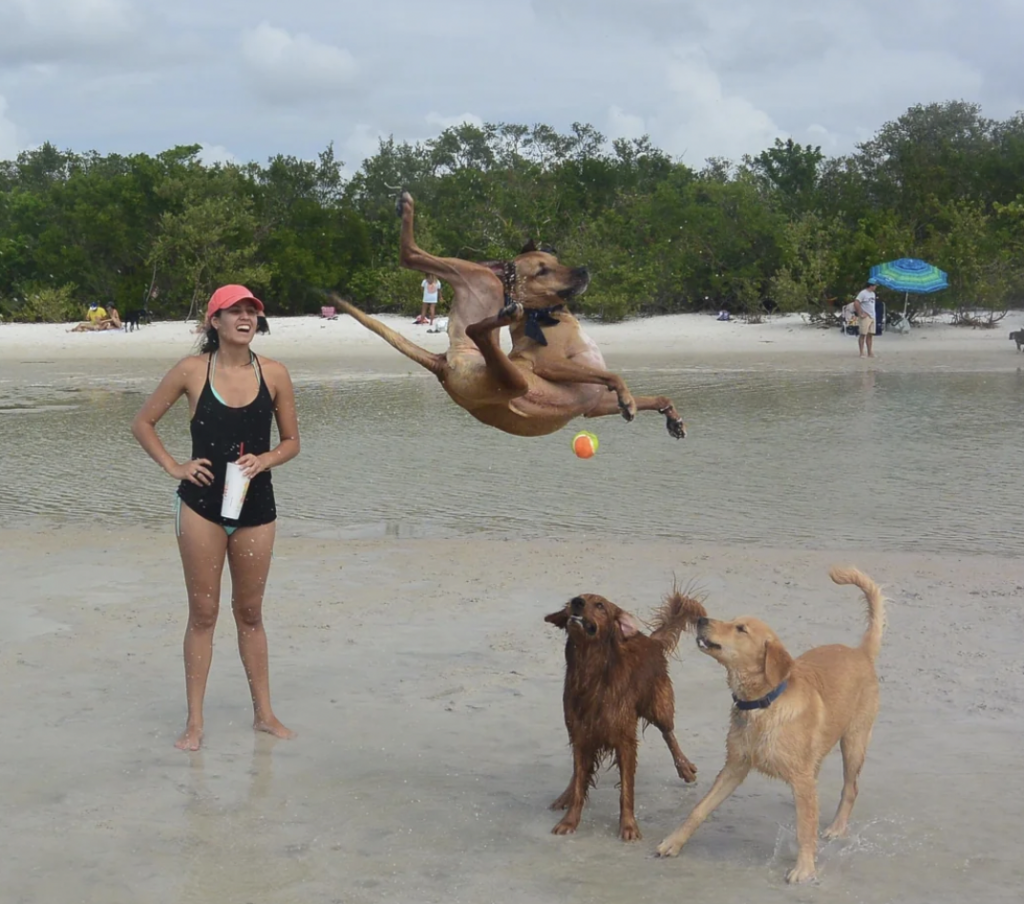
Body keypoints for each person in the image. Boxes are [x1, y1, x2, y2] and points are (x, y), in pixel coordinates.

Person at [131, 284, 300, 751]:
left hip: (255, 507)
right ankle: (195, 723)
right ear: (215, 321)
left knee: (250, 613)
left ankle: (264, 715)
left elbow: (291, 442)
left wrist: (265, 460)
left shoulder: (277, 374)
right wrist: (174, 466)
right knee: (203, 614)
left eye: (252, 312)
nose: (245, 318)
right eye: (235, 311)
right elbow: (142, 423)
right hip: (201, 507)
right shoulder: (191, 371)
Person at [853, 282, 877, 358]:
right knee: (863, 334)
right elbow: (856, 302)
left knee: (870, 335)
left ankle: (870, 352)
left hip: (872, 316)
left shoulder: (873, 294)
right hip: (865, 316)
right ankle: (861, 353)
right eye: (875, 285)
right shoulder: (863, 293)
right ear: (871, 285)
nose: (876, 287)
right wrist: (860, 313)